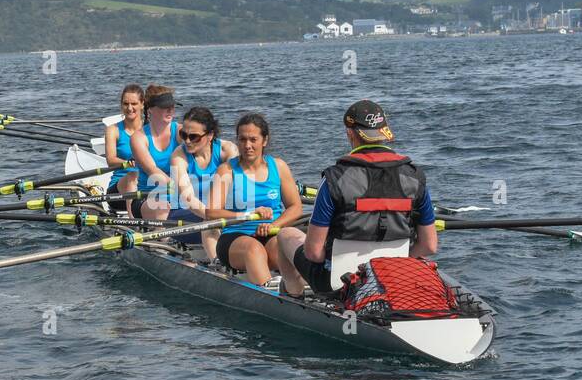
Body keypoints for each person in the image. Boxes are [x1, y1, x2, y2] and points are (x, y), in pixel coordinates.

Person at [279, 100, 436, 297]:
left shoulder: (334, 179)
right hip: (395, 277)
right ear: (384, 132)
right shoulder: (415, 177)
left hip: (337, 283)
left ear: (350, 133)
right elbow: (429, 245)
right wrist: (395, 262)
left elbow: (313, 253)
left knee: (285, 235)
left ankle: (293, 294)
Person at [207, 113, 304, 286]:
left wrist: (275, 225)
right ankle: (270, 295)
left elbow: (295, 207)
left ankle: (306, 292)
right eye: (242, 140)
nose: (247, 146)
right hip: (235, 237)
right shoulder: (226, 170)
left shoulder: (279, 167)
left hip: (271, 232)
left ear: (264, 140)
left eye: (253, 139)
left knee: (291, 246)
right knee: (254, 249)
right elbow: (211, 212)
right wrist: (248, 214)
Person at [151, 106, 238, 259]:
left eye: (194, 137)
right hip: (184, 218)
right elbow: (189, 199)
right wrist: (215, 217)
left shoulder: (228, 151)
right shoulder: (179, 157)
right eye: (183, 135)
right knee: (209, 224)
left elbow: (239, 188)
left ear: (210, 135)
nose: (187, 141)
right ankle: (218, 264)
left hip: (222, 216)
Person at [128, 85, 179, 216]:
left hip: (180, 195)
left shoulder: (181, 132)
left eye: (172, 106)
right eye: (164, 107)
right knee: (162, 207)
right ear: (150, 109)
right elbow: (154, 173)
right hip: (147, 198)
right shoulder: (139, 138)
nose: (170, 110)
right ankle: (162, 236)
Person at [104, 84, 145, 196]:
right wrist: (130, 163)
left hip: (147, 183)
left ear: (142, 104)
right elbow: (111, 161)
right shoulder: (113, 130)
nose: (130, 108)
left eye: (134, 104)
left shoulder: (150, 129)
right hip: (119, 188)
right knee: (133, 175)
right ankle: (133, 212)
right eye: (126, 104)